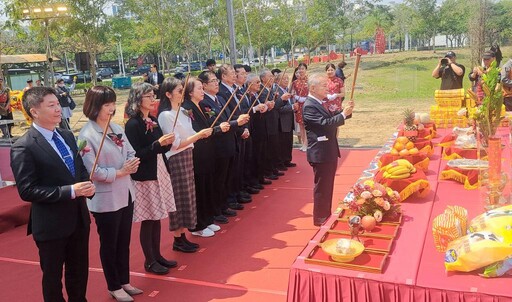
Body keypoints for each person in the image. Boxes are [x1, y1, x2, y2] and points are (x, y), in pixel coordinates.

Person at [10, 86, 95, 302]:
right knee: (53, 278)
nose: (59, 109)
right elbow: (27, 190)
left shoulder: (66, 136)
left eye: (58, 104)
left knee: (79, 272)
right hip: (51, 225)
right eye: (52, 105)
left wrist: (86, 185)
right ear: (34, 111)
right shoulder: (24, 146)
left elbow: (79, 169)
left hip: (78, 219)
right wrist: (69, 191)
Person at [79, 86, 142, 302]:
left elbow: (131, 150)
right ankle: (114, 285)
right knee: (110, 243)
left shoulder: (116, 127)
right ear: (94, 107)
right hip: (105, 199)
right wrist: (120, 171)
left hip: (125, 193)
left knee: (124, 241)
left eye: (113, 104)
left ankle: (124, 280)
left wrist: (132, 162)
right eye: (107, 105)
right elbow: (92, 171)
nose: (112, 109)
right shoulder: (87, 135)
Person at [124, 82, 178, 275]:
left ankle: (157, 255)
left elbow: (160, 147)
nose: (153, 99)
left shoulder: (152, 119)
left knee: (157, 217)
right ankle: (149, 259)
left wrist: (167, 143)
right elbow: (136, 153)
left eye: (153, 95)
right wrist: (157, 145)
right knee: (149, 219)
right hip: (145, 175)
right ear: (138, 99)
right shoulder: (132, 124)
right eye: (148, 96)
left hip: (159, 170)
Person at [157, 77, 213, 244]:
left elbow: (188, 134)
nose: (182, 94)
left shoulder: (182, 111)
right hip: (176, 158)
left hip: (188, 155)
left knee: (188, 197)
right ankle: (177, 237)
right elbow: (175, 143)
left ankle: (184, 234)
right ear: (168, 94)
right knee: (178, 199)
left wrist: (197, 136)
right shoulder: (166, 115)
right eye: (179, 91)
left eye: (182, 90)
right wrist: (199, 135)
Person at [303, 73, 354, 226]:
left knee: (327, 186)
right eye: (323, 86)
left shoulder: (319, 102)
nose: (328, 88)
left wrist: (346, 112)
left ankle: (325, 214)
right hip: (320, 153)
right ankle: (320, 218)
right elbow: (325, 123)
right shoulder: (309, 105)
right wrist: (343, 115)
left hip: (328, 151)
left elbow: (331, 116)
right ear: (312, 88)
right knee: (322, 187)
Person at [181, 78, 224, 237]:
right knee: (199, 189)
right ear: (190, 92)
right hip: (197, 152)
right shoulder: (187, 108)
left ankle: (207, 219)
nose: (201, 91)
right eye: (199, 88)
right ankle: (198, 225)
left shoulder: (199, 106)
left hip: (207, 151)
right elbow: (193, 131)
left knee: (207, 187)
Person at [273, 71, 296, 169]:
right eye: (284, 79)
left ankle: (287, 159)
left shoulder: (287, 90)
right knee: (282, 142)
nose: (286, 80)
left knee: (288, 141)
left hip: (289, 119)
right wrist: (291, 107)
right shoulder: (276, 91)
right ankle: (281, 162)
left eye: (287, 78)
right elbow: (278, 107)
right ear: (277, 81)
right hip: (281, 121)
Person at [291, 63, 309, 151]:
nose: (301, 70)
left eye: (303, 69)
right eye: (300, 69)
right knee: (301, 125)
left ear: (306, 70)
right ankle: (303, 143)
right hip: (299, 106)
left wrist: (305, 98)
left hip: (307, 105)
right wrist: (296, 97)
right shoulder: (295, 82)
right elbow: (292, 92)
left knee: (306, 125)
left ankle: (307, 143)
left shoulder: (309, 80)